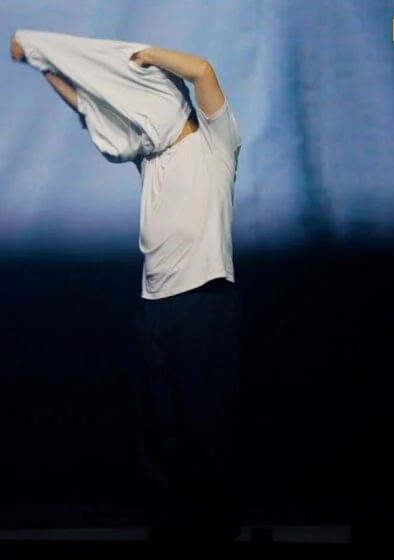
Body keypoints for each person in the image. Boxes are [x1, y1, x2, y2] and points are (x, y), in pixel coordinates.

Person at [13, 33, 244, 543]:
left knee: (206, 423)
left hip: (203, 300)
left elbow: (202, 71)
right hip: (154, 306)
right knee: (159, 427)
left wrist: (151, 56)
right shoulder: (150, 155)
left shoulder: (216, 142)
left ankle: (216, 527)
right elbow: (89, 107)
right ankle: (168, 528)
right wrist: (43, 64)